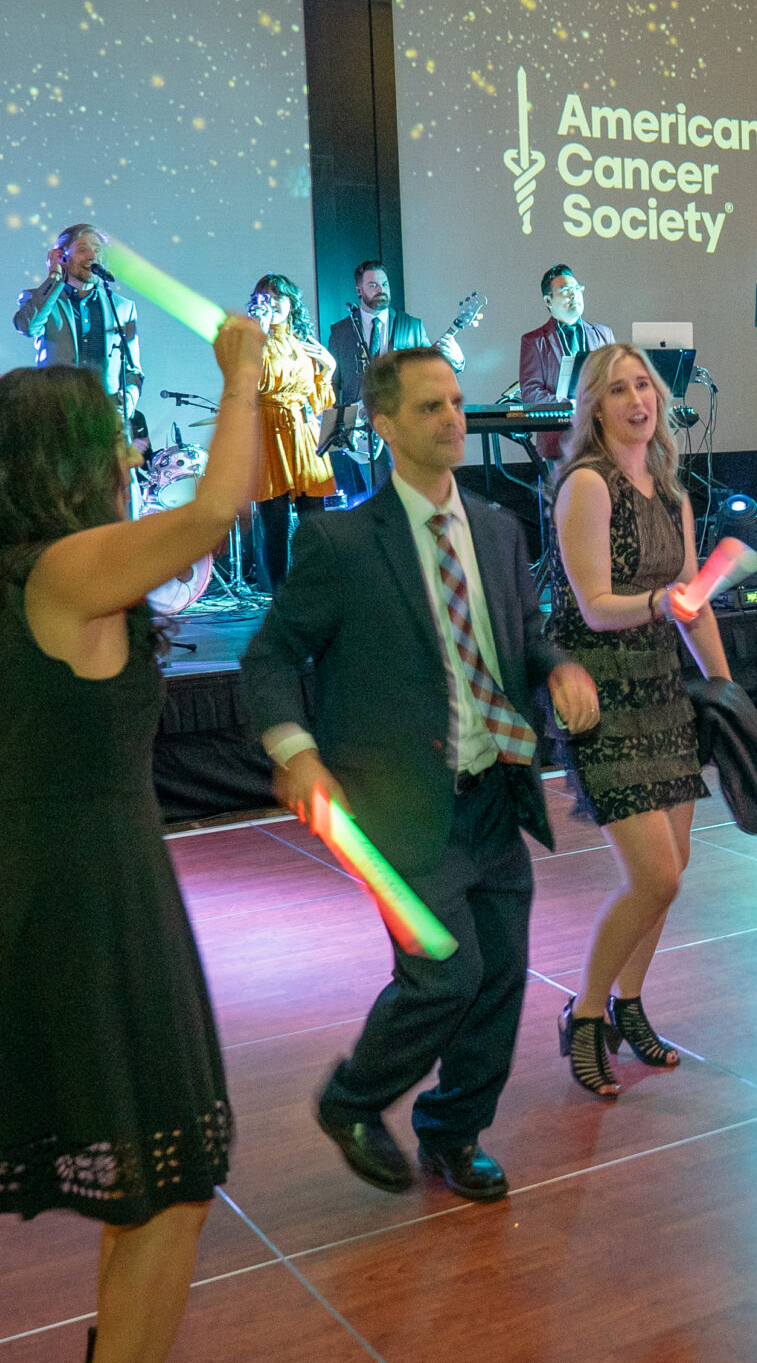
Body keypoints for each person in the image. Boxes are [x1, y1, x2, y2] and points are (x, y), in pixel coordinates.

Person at [0, 312, 266, 1363]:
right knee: (174, 1185)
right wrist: (244, 376)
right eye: (111, 437)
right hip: (103, 900)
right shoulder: (66, 569)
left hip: (54, 897)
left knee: (139, 1168)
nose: (126, 451)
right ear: (70, 461)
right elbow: (215, 510)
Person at [244, 345, 601, 1198]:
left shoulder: (498, 530)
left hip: (494, 791)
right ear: (384, 423)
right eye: (430, 407)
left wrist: (556, 667)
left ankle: (453, 1132)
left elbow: (522, 637)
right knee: (445, 973)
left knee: (500, 977)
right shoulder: (339, 541)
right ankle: (353, 1100)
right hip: (399, 802)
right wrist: (297, 753)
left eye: (456, 402)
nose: (452, 419)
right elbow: (270, 657)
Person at [547, 341, 733, 1097]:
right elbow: (595, 606)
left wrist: (725, 690)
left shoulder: (670, 492)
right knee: (653, 875)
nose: (637, 401)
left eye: (643, 387)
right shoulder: (586, 486)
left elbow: (694, 603)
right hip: (602, 696)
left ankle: (629, 1003)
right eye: (619, 390)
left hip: (662, 693)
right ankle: (586, 1015)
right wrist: (664, 602)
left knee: (670, 874)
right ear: (594, 409)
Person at [248, 273, 336, 589]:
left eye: (278, 297)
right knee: (276, 526)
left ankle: (315, 591)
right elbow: (254, 384)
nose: (272, 303)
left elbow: (320, 402)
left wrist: (329, 368)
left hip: (304, 434)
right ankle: (280, 597)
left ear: (291, 302)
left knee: (314, 523)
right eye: (265, 297)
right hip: (268, 435)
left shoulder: (302, 343)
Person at [323, 259, 432, 502]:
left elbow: (431, 372)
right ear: (359, 290)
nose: (381, 289)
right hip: (362, 429)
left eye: (385, 284)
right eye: (373, 285)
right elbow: (334, 383)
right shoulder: (341, 332)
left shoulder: (411, 326)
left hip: (404, 421)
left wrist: (455, 361)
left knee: (411, 491)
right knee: (379, 493)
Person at [15, 223, 141, 427]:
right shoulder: (41, 299)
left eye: (97, 250)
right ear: (62, 257)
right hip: (56, 418)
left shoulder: (123, 307)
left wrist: (128, 400)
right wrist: (54, 276)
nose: (92, 256)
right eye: (83, 249)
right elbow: (27, 327)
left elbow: (133, 370)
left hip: (104, 421)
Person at [517, 264, 615, 464]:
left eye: (577, 289)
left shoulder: (603, 334)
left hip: (603, 437)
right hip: (560, 442)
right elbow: (531, 392)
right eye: (565, 291)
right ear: (548, 300)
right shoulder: (534, 341)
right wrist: (570, 406)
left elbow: (616, 380)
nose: (574, 295)